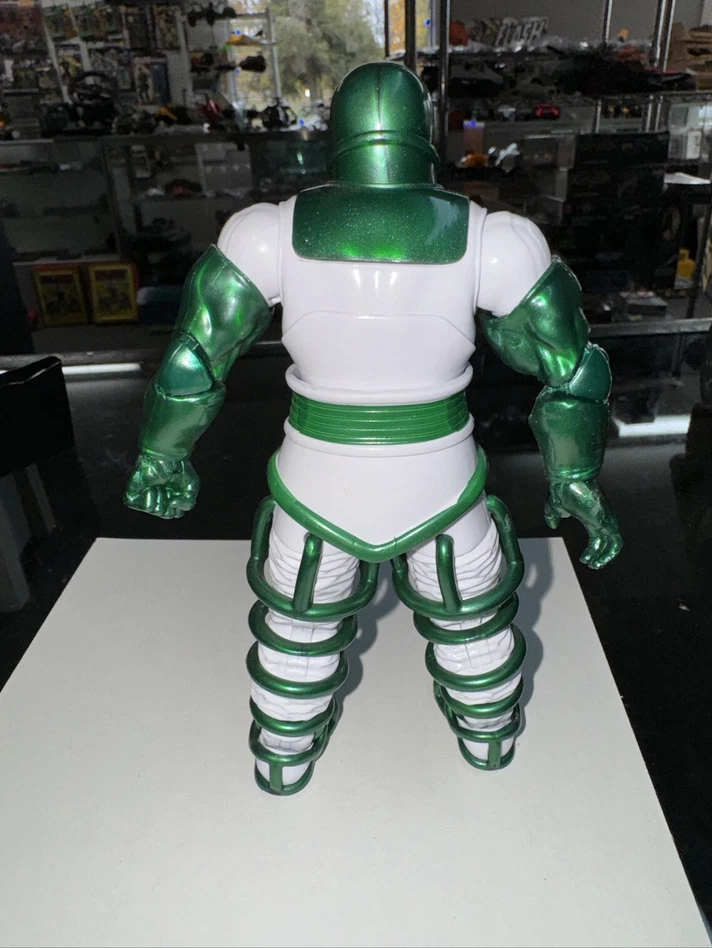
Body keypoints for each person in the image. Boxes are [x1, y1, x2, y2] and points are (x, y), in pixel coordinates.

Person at [124, 62, 622, 796]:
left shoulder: (267, 235)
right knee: (472, 631)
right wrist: (574, 475)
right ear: (425, 134)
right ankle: (488, 746)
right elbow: (573, 371)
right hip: (442, 486)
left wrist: (160, 455)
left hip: (316, 486)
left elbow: (195, 359)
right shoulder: (494, 240)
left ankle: (283, 762)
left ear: (339, 134)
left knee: (299, 632)